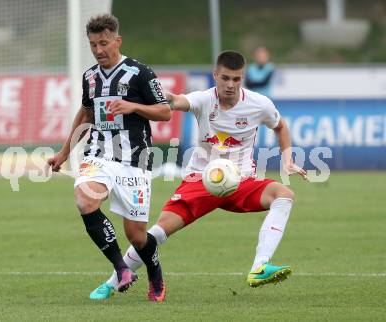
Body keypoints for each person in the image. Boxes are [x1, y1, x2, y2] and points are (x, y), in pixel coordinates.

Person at [89, 50, 307, 300]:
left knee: (284, 195)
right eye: (225, 78)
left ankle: (259, 266)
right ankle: (113, 281)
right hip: (201, 181)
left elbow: (280, 127)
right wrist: (158, 96)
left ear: (242, 78)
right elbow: (176, 101)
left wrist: (287, 159)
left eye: (236, 79)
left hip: (242, 181)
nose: (230, 85)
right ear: (215, 75)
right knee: (157, 233)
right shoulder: (204, 100)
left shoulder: (260, 104)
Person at [47, 14, 171, 302]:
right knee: (85, 200)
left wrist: (131, 106)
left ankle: (155, 275)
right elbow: (87, 113)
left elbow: (164, 112)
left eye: (104, 43)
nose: (99, 50)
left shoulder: (140, 73)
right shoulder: (90, 77)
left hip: (135, 161)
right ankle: (122, 269)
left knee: (137, 236)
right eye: (93, 45)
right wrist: (65, 151)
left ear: (118, 40)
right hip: (98, 154)